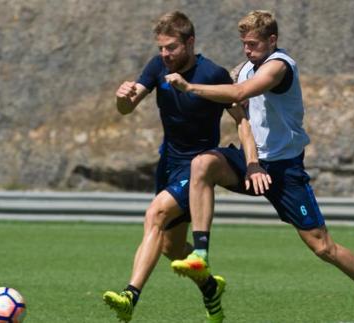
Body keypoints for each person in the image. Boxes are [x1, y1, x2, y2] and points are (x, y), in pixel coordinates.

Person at [165, 10, 354, 323]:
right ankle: (200, 254)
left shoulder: (279, 66)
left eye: (253, 43)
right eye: (244, 44)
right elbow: (236, 102)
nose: (247, 50)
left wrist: (190, 87)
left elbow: (237, 93)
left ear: (272, 40)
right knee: (203, 165)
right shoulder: (247, 68)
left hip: (284, 171)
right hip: (253, 163)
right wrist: (251, 162)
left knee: (323, 247)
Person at [102, 11, 258, 323]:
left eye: (171, 47)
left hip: (197, 170)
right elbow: (127, 107)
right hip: (168, 166)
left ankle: (129, 297)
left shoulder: (212, 74)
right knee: (171, 249)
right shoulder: (157, 66)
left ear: (190, 42)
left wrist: (252, 163)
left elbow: (242, 121)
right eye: (161, 47)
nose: (164, 54)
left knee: (155, 214)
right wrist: (122, 98)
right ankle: (212, 290)